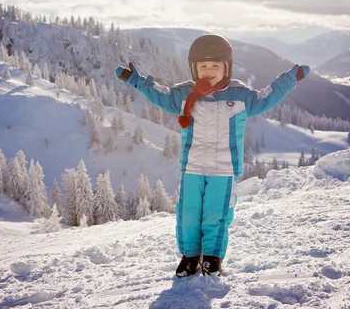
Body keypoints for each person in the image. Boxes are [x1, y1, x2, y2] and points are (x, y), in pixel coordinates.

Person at [115, 34, 309, 277]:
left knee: (217, 215)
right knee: (189, 214)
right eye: (203, 66)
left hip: (224, 168)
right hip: (193, 166)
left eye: (215, 66)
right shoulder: (184, 94)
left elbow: (266, 97)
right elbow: (159, 94)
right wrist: (136, 80)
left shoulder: (240, 95)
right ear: (194, 69)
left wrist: (290, 79)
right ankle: (190, 257)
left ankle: (213, 257)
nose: (209, 71)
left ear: (226, 67)